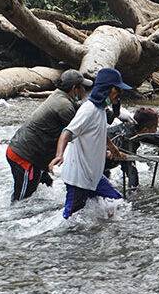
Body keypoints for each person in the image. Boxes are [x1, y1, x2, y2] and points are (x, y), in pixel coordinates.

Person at [50, 68, 131, 219]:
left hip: (93, 175)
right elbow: (66, 132)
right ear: (107, 89)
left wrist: (114, 150)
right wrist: (59, 155)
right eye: (117, 90)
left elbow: (100, 131)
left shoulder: (100, 109)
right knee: (70, 220)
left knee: (118, 203)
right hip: (79, 178)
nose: (119, 94)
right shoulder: (89, 110)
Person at [6, 69, 92, 203]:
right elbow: (78, 133)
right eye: (83, 87)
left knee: (45, 184)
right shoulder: (64, 105)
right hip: (24, 156)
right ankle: (10, 221)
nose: (85, 91)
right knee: (21, 201)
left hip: (27, 153)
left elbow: (76, 109)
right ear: (75, 88)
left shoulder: (59, 95)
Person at [107, 107, 159, 189]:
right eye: (155, 128)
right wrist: (134, 191)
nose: (156, 131)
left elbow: (149, 137)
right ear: (145, 129)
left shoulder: (131, 128)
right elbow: (131, 171)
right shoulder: (127, 139)